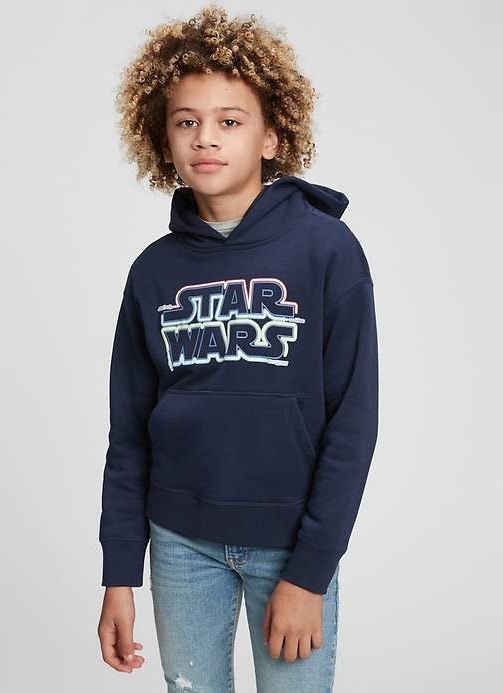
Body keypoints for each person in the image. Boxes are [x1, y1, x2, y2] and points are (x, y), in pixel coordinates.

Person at [98, 5, 378, 692]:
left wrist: (311, 569)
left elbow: (353, 421)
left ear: (272, 136)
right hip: (179, 544)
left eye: (230, 121)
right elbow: (129, 432)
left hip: (290, 544)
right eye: (186, 121)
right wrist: (118, 572)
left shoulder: (326, 250)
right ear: (163, 141)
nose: (206, 138)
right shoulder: (152, 272)